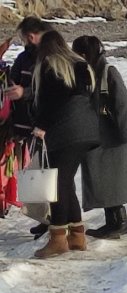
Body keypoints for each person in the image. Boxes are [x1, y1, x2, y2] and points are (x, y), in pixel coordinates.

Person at [31, 31, 100, 258]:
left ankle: (58, 237)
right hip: (87, 129)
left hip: (66, 131)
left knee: (58, 183)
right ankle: (77, 235)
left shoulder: (51, 66)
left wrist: (40, 125)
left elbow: (51, 102)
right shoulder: (80, 65)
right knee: (66, 180)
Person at [72, 36, 127, 239]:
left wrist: (126, 134)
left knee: (110, 181)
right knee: (104, 181)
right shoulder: (89, 72)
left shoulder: (108, 73)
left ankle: (120, 222)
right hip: (100, 137)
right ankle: (114, 221)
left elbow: (124, 106)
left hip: (113, 138)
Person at [8, 17, 53, 238]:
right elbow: (13, 79)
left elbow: (52, 92)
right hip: (27, 123)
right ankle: (45, 219)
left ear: (31, 35)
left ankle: (58, 222)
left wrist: (23, 93)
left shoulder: (51, 57)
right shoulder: (24, 57)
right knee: (36, 171)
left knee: (52, 172)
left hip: (46, 125)